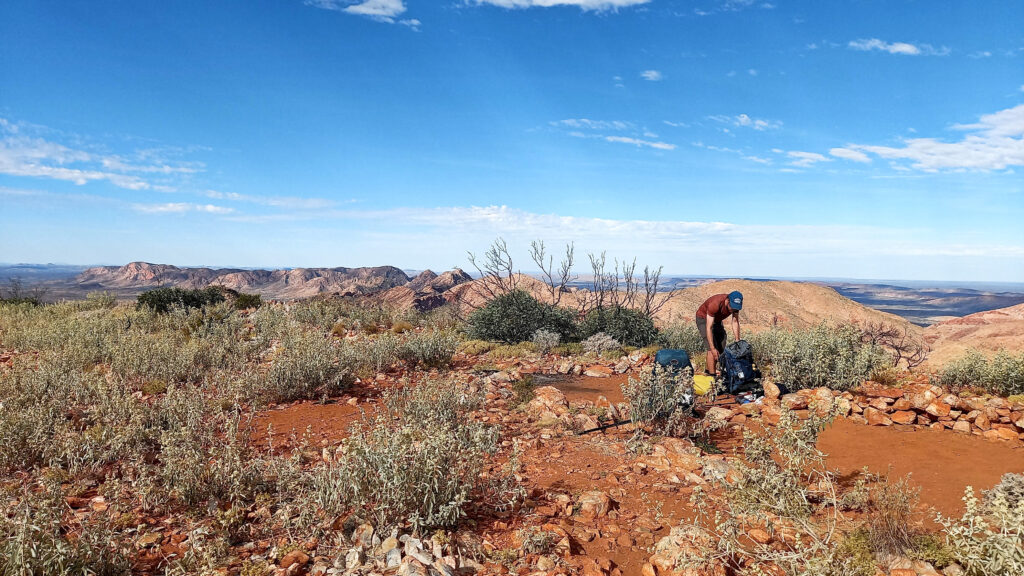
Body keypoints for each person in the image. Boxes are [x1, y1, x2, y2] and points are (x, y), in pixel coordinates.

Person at [695, 291, 743, 376]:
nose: (733, 310)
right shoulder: (715, 304)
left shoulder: (735, 307)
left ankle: (708, 370)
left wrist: (737, 340)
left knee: (722, 342)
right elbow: (709, 328)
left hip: (716, 320)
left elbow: (735, 322)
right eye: (732, 307)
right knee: (712, 348)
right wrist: (713, 348)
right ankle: (712, 377)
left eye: (736, 308)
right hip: (703, 318)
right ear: (727, 300)